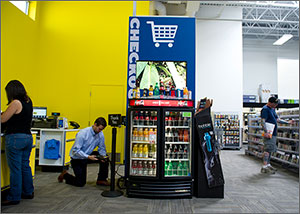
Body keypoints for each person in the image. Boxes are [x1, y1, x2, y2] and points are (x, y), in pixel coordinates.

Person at [1, 80, 34, 206]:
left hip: (15, 138)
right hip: (27, 137)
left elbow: (3, 119)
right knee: (25, 166)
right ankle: (28, 191)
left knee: (15, 169)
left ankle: (14, 196)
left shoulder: (15, 102)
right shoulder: (28, 100)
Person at [57, 117, 110, 187]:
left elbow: (101, 148)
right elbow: (76, 151)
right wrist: (88, 157)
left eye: (102, 129)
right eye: (99, 129)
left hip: (88, 155)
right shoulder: (82, 134)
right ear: (95, 124)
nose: (100, 131)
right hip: (77, 158)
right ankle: (65, 175)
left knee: (105, 158)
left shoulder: (100, 134)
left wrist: (103, 157)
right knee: (80, 183)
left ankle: (101, 179)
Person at [260, 96, 292, 174]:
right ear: (270, 103)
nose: (276, 105)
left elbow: (277, 119)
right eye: (275, 104)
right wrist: (266, 132)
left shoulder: (272, 109)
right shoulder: (265, 109)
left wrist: (287, 122)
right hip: (269, 133)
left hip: (273, 133)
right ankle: (264, 167)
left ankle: (268, 164)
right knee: (267, 150)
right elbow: (263, 121)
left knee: (270, 149)